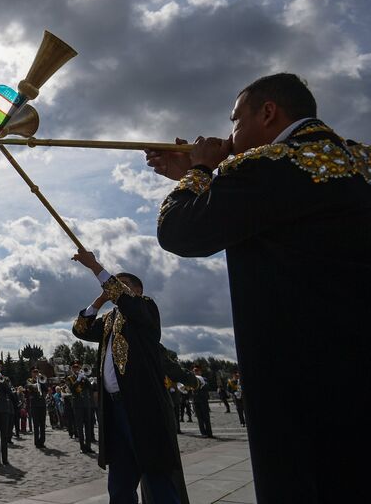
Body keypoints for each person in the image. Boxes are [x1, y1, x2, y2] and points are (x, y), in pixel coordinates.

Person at [147, 72, 370, 502]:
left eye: (236, 121)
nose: (231, 134)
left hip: (303, 392)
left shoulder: (268, 165)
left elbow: (179, 231)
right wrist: (204, 177)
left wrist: (197, 171)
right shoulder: (360, 161)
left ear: (268, 113)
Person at [72, 252, 199, 504]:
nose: (115, 289)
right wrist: (99, 300)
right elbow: (81, 330)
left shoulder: (145, 308)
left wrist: (95, 267)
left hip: (141, 405)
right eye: (114, 285)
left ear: (138, 290)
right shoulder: (108, 321)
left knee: (156, 475)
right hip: (114, 407)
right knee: (119, 480)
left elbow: (126, 301)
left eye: (123, 285)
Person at [26, 366, 48, 448]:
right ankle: (36, 442)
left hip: (42, 404)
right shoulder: (29, 380)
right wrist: (36, 383)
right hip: (34, 405)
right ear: (31, 373)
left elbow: (46, 389)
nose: (36, 373)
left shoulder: (42, 380)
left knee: (42, 424)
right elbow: (29, 387)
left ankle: (42, 441)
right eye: (34, 372)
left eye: (37, 372)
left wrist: (41, 382)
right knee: (36, 425)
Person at [191, 366, 213, 438]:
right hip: (195, 400)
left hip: (203, 400)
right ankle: (203, 433)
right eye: (194, 371)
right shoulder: (191, 380)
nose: (196, 372)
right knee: (199, 418)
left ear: (200, 372)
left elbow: (207, 387)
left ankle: (209, 433)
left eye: (197, 371)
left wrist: (201, 385)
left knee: (206, 417)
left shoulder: (204, 379)